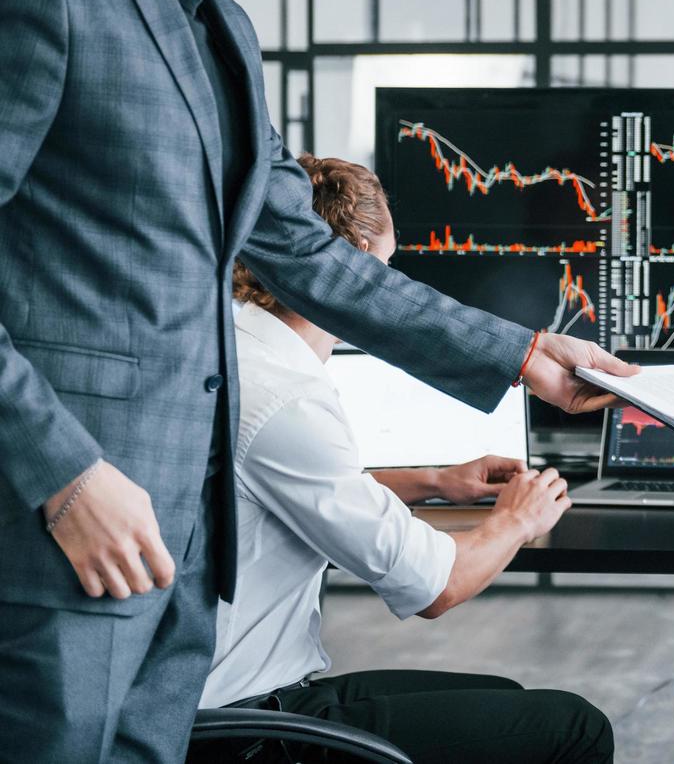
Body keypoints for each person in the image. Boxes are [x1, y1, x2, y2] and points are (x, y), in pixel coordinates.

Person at [0, 0, 634, 760]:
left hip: (181, 542)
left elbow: (302, 251)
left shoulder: (223, 38)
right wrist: (66, 472)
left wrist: (526, 354)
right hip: (65, 521)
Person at [197, 154, 611, 763]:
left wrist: (433, 481)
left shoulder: (242, 346)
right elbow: (437, 586)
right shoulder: (286, 395)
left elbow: (282, 492)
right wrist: (517, 520)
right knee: (573, 728)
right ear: (358, 258)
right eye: (386, 270)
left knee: (503, 698)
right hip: (243, 730)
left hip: (228, 696)